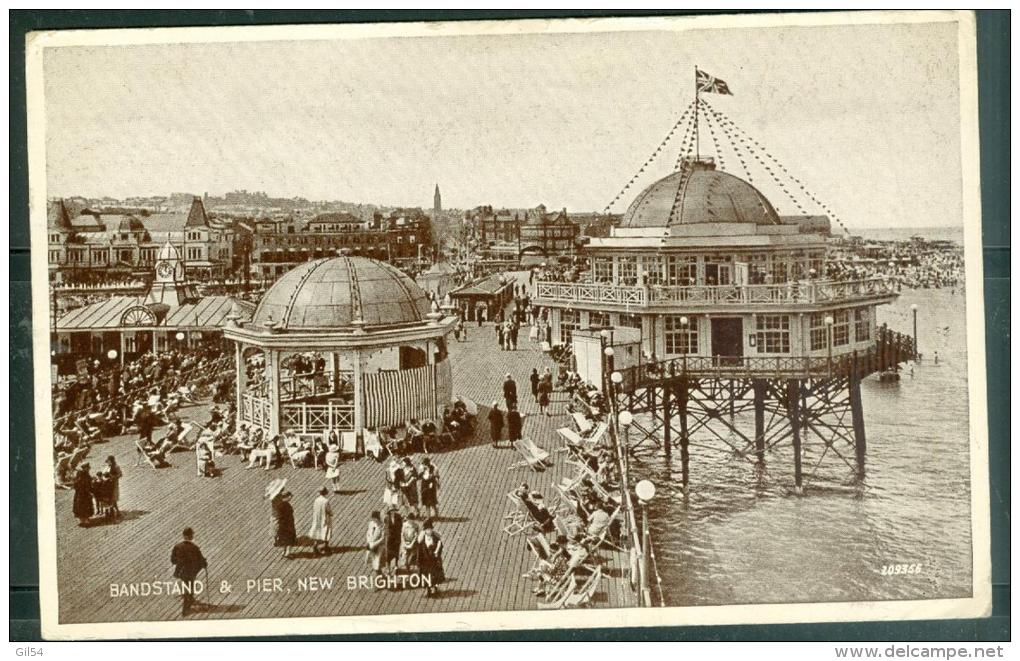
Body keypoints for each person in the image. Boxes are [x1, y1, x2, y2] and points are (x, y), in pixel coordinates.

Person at [170, 527, 207, 616]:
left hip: (181, 571)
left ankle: (189, 600)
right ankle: (186, 609)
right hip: (191, 571)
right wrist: (204, 563)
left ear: (183, 536)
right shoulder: (194, 548)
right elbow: (201, 561)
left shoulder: (177, 546)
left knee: (186, 585)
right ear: (191, 536)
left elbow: (173, 560)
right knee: (189, 588)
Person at [417, 519, 444, 597]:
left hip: (434, 560)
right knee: (425, 575)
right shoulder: (421, 540)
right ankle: (427, 588)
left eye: (430, 529)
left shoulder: (435, 538)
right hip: (425, 561)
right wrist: (419, 561)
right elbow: (419, 551)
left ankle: (434, 587)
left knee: (434, 574)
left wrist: (437, 553)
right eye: (427, 530)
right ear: (425, 530)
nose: (429, 531)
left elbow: (440, 547)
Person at [272, 490, 297, 559]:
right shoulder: (286, 505)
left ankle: (284, 551)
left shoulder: (280, 504)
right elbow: (289, 513)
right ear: (286, 497)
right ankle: (287, 553)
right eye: (290, 497)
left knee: (284, 539)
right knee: (290, 539)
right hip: (288, 525)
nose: (291, 498)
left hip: (282, 526)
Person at [308, 488, 332, 556]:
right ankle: (326, 547)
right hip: (325, 518)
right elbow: (328, 510)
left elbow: (314, 509)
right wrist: (331, 513)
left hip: (317, 518)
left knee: (317, 532)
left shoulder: (316, 500)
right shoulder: (326, 501)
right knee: (326, 531)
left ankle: (315, 547)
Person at [382, 505, 403, 576]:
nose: (392, 512)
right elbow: (386, 528)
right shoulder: (386, 518)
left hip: (396, 538)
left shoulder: (398, 517)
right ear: (389, 512)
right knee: (388, 554)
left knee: (396, 552)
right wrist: (387, 536)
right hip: (389, 539)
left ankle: (396, 566)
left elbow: (400, 526)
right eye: (391, 511)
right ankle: (388, 568)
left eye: (393, 510)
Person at [365, 511, 385, 586]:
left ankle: (378, 583)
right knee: (374, 565)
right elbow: (368, 533)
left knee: (377, 565)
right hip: (371, 547)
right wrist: (369, 542)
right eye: (373, 519)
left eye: (375, 519)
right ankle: (382, 576)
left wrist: (374, 544)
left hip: (379, 548)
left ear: (378, 518)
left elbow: (382, 538)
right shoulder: (371, 524)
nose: (374, 521)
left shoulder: (382, 526)